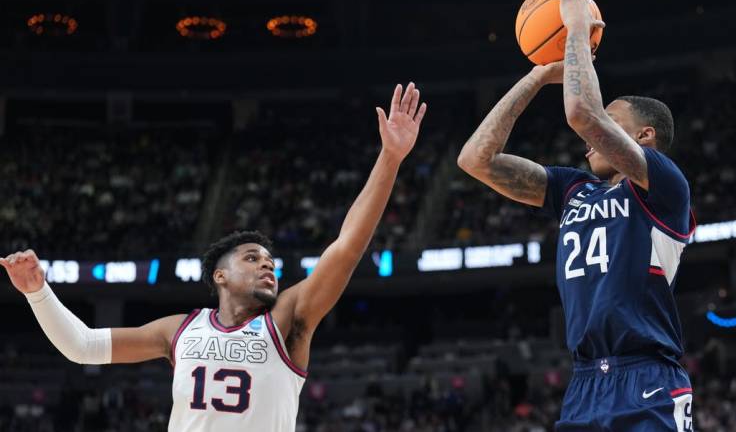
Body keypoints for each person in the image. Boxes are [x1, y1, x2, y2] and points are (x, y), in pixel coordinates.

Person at [1, 83, 427, 432]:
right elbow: (83, 346)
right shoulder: (180, 329)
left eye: (269, 260)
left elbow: (348, 246)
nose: (267, 265)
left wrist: (389, 159)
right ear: (220, 276)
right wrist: (38, 292)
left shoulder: (287, 319)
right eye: (251, 258)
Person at [457, 0, 696, 430]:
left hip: (648, 379)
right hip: (585, 385)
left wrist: (578, 32)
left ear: (643, 137)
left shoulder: (665, 187)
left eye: (612, 124)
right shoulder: (574, 188)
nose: (592, 140)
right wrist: (534, 77)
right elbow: (475, 160)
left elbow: (583, 113)